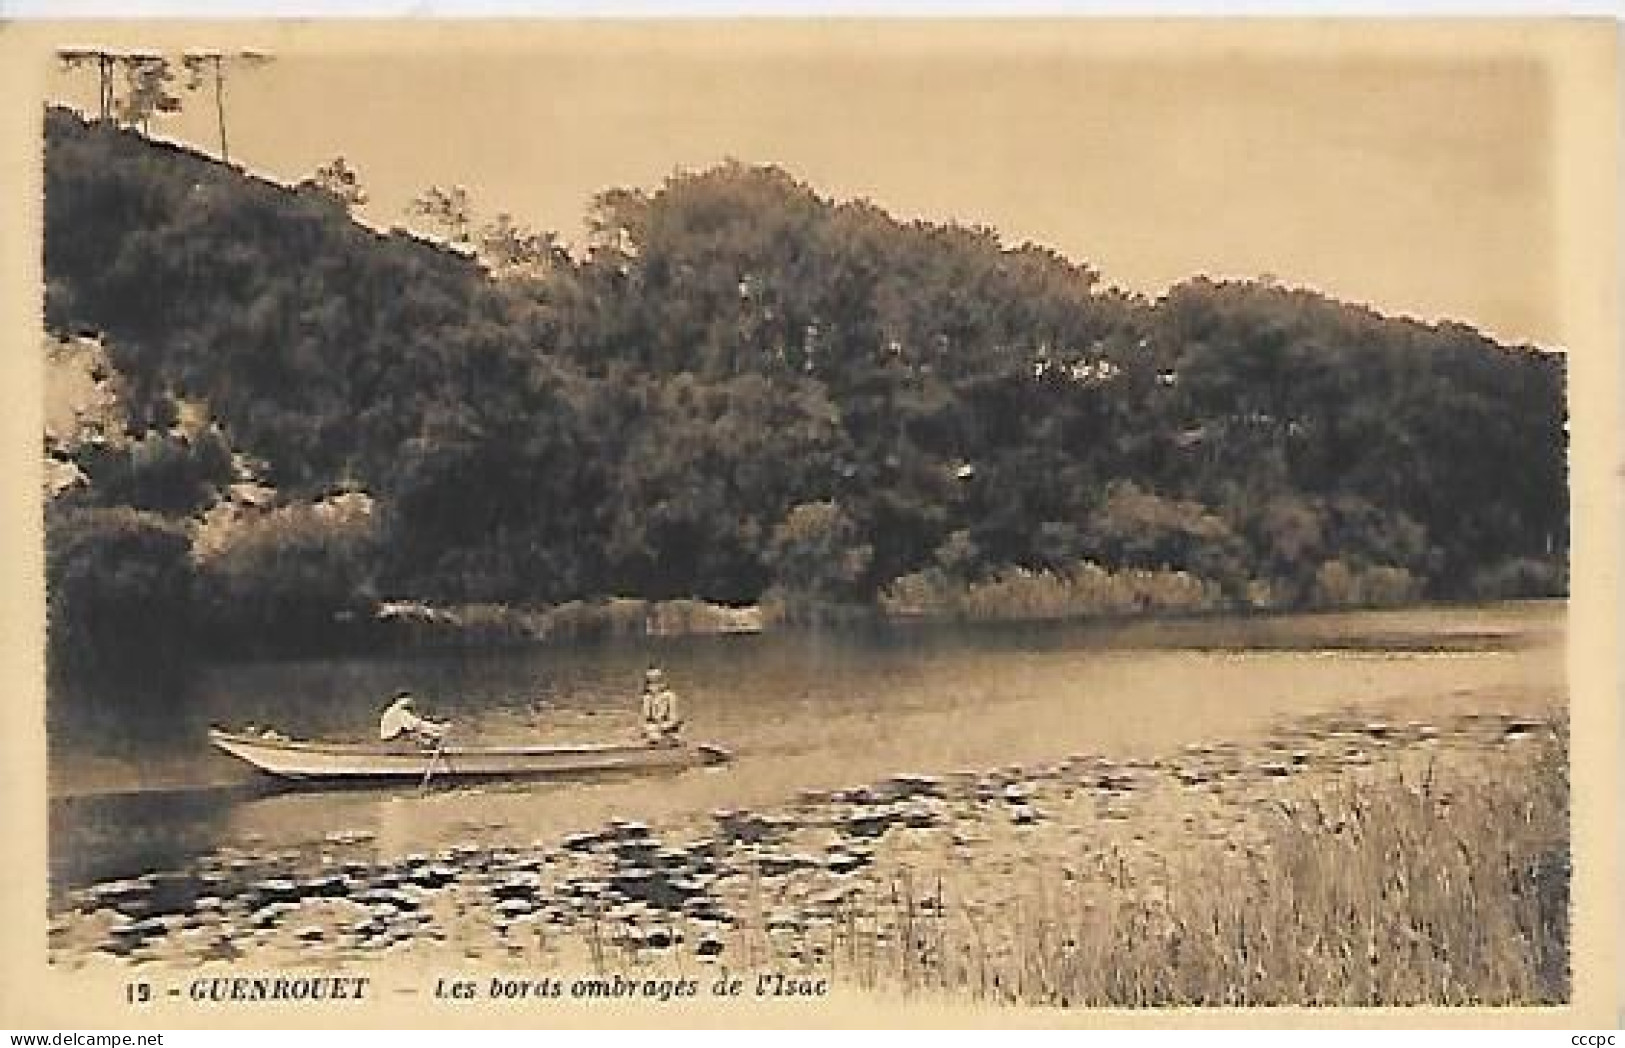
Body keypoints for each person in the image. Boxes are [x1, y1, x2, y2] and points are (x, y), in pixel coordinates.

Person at [378, 690, 448, 746]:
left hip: (388, 734)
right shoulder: (399, 710)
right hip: (390, 735)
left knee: (415, 728)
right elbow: (416, 724)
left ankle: (432, 738)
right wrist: (436, 726)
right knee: (416, 727)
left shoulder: (393, 710)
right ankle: (434, 736)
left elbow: (414, 722)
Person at [639, 667, 683, 746]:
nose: (651, 685)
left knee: (661, 736)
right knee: (652, 734)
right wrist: (649, 729)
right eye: (649, 681)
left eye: (656, 680)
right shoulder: (647, 697)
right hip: (653, 730)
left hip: (668, 730)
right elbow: (646, 719)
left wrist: (662, 727)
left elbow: (674, 719)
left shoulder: (670, 696)